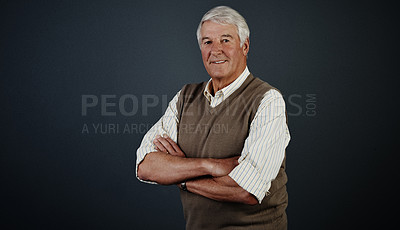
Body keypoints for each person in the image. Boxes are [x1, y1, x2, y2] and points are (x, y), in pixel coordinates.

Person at [136, 6, 290, 230]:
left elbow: (245, 190)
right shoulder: (185, 97)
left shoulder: (267, 100)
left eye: (225, 40)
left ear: (244, 46)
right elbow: (146, 166)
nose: (216, 50)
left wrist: (181, 176)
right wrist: (211, 165)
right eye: (207, 42)